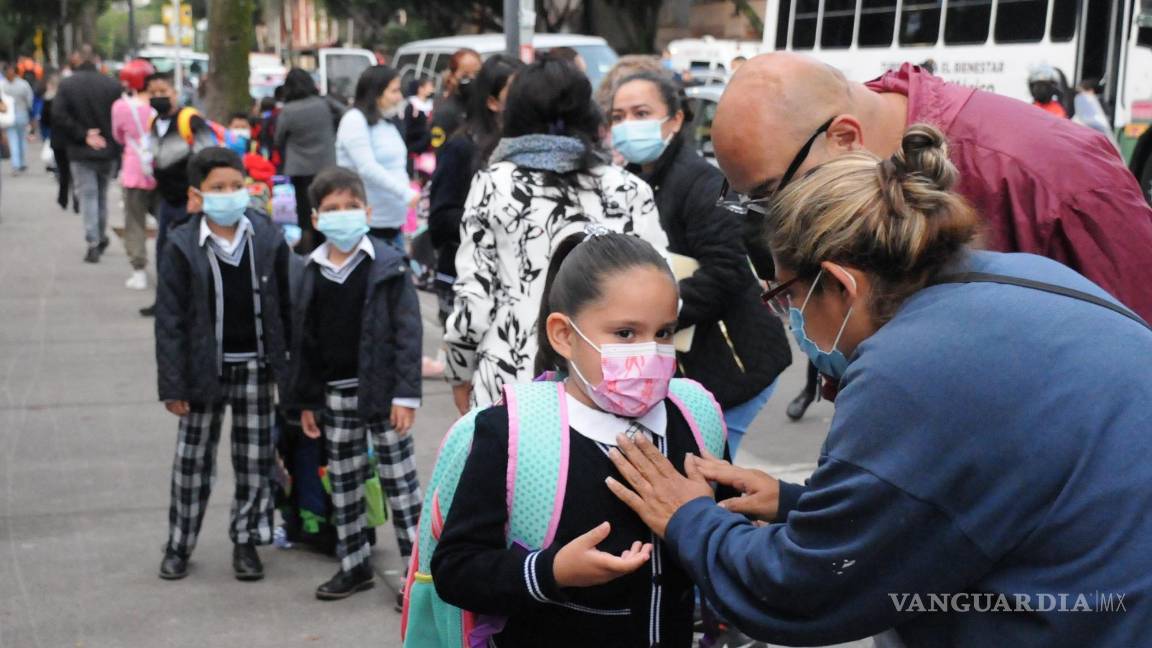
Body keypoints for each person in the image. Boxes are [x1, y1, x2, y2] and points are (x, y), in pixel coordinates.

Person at [605, 125, 1152, 645]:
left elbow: (802, 589)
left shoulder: (907, 366)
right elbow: (944, 507)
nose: (790, 319)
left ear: (840, 284)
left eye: (786, 299)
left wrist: (688, 519)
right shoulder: (1028, 277)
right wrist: (797, 506)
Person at [712, 54, 1152, 413]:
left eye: (772, 195)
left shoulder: (1049, 180)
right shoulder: (845, 148)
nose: (774, 220)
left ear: (846, 137)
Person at [433, 230, 733, 648]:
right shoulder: (511, 433)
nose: (650, 352)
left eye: (664, 333)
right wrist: (552, 571)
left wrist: (712, 518)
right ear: (564, 335)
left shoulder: (696, 419)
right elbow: (456, 569)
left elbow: (731, 539)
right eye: (625, 334)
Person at [444, 58, 668, 412]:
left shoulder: (494, 185)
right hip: (611, 385)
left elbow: (474, 300)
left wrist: (457, 372)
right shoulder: (629, 188)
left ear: (512, 115)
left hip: (509, 384)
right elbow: (666, 292)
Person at [609, 71, 790, 456]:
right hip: (691, 366)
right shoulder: (629, 183)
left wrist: (655, 313)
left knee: (708, 473)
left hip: (735, 359)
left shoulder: (701, 181)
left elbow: (725, 270)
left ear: (675, 119)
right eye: (618, 117)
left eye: (641, 113)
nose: (628, 126)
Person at [155, 147, 293, 583]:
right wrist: (173, 384)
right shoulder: (181, 244)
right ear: (197, 196)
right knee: (192, 461)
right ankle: (179, 543)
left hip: (256, 366)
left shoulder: (267, 237)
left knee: (254, 460)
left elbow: (288, 307)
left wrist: (288, 370)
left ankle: (247, 540)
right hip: (202, 372)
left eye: (237, 186)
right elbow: (170, 321)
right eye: (218, 189)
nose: (230, 195)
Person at [288, 167, 423, 603]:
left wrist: (406, 394)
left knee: (400, 484)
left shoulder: (388, 265)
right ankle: (354, 562)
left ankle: (415, 574)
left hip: (383, 395)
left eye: (350, 207)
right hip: (333, 396)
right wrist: (307, 400)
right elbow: (303, 342)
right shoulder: (309, 270)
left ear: (367, 211)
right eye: (331, 209)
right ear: (315, 219)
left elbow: (407, 334)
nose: (342, 215)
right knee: (343, 483)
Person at [428, 54, 522, 329]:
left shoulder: (529, 146)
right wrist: (494, 221)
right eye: (514, 92)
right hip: (469, 280)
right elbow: (441, 219)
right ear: (492, 102)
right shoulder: (463, 146)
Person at [138, 72, 218, 317]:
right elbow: (153, 154)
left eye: (164, 92)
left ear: (176, 93)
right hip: (167, 200)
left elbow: (209, 154)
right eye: (153, 93)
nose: (158, 97)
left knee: (190, 252)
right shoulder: (154, 123)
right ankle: (165, 302)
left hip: (190, 201)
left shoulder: (189, 119)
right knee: (164, 252)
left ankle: (194, 304)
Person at [335, 65, 418, 246]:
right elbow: (367, 167)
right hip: (369, 226)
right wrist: (405, 193)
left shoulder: (385, 122)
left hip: (392, 224)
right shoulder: (355, 120)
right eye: (394, 91)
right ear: (376, 92)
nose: (399, 97)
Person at [51, 52, 122, 263]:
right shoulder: (112, 85)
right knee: (101, 194)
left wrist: (83, 134)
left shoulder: (67, 85)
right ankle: (99, 236)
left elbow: (58, 114)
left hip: (80, 150)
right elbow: (119, 117)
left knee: (88, 195)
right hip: (107, 149)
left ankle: (93, 241)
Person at [274, 69, 340, 252]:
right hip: (327, 165)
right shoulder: (325, 104)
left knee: (304, 210)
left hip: (299, 168)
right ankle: (329, 245)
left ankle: (308, 247)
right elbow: (345, 113)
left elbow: (278, 139)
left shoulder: (287, 111)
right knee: (325, 205)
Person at [111, 59, 157, 291]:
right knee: (169, 221)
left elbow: (118, 136)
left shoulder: (121, 107)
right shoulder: (160, 105)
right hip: (162, 170)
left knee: (135, 222)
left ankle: (139, 270)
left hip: (133, 170)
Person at [428, 48, 481, 152]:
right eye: (465, 76)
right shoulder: (445, 112)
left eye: (477, 73)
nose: (472, 79)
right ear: (452, 77)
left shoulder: (486, 104)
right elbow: (440, 153)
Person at [1, 62, 35, 173]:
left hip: (10, 116)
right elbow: (30, 100)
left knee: (14, 140)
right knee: (20, 140)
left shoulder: (2, 85)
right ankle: (20, 163)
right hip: (21, 114)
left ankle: (17, 163)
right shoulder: (23, 84)